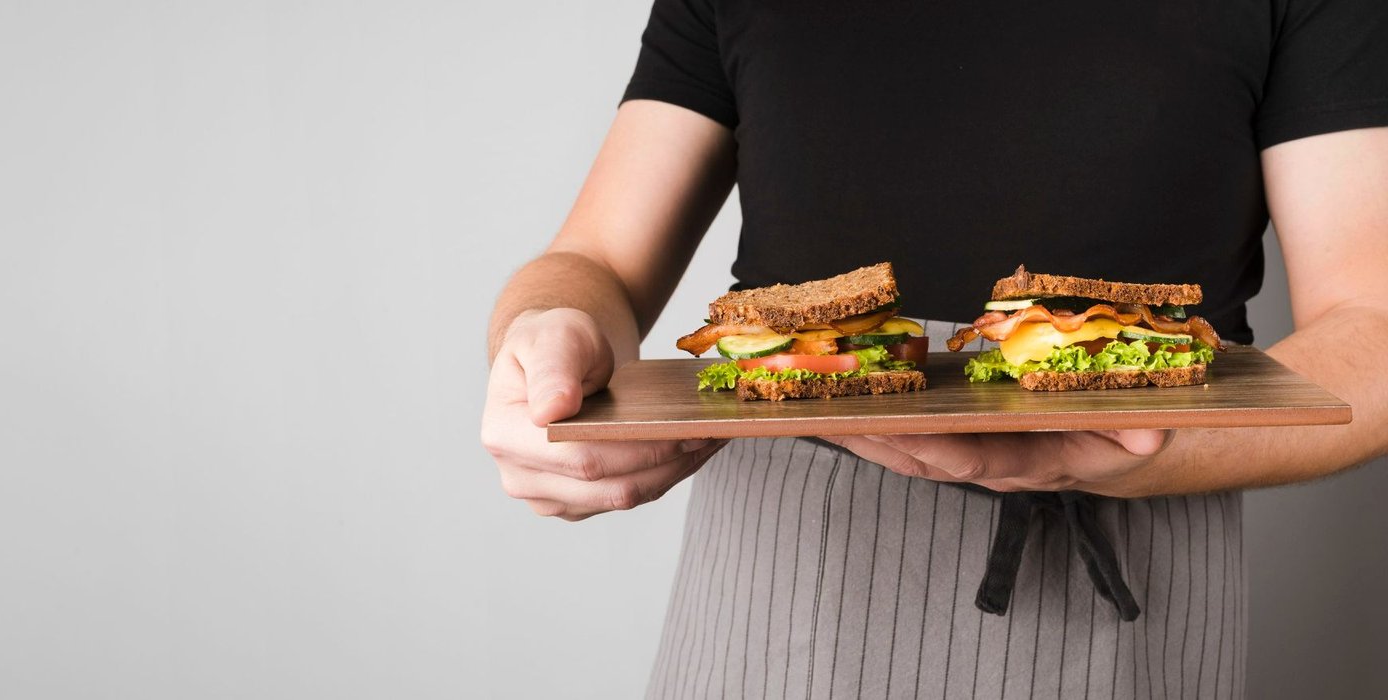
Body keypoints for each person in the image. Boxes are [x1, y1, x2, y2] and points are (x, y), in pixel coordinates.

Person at [481, 0, 1388, 696]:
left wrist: (1125, 453)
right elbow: (593, 262)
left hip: (1138, 530)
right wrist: (541, 338)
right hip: (785, 555)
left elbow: (1374, 328)